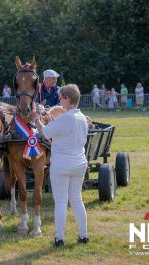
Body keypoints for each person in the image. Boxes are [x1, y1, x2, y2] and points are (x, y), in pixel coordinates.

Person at [34, 84, 89, 248]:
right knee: (77, 200)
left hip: (62, 165)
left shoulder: (65, 118)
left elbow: (45, 133)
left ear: (67, 99)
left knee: (60, 202)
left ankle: (59, 238)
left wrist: (36, 119)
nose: (59, 100)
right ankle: (83, 235)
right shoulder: (82, 117)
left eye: (61, 98)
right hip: (79, 163)